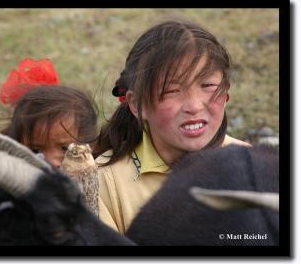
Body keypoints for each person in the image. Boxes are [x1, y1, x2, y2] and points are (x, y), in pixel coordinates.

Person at [93, 20, 251, 234]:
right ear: (136, 104)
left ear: (226, 94)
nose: (194, 106)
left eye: (208, 86)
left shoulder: (251, 165)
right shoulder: (104, 182)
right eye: (171, 90)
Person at [0, 58, 98, 168]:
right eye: (36, 151)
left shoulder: (100, 178)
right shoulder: (16, 181)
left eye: (65, 149)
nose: (52, 162)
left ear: (90, 147)